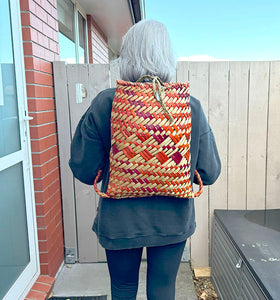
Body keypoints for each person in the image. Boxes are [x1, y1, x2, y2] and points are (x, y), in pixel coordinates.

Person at [69, 19, 221, 300]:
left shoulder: (106, 103)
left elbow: (83, 167)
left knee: (124, 289)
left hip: (119, 220)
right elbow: (210, 172)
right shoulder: (190, 107)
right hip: (173, 221)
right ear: (167, 56)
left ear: (127, 56)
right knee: (163, 289)